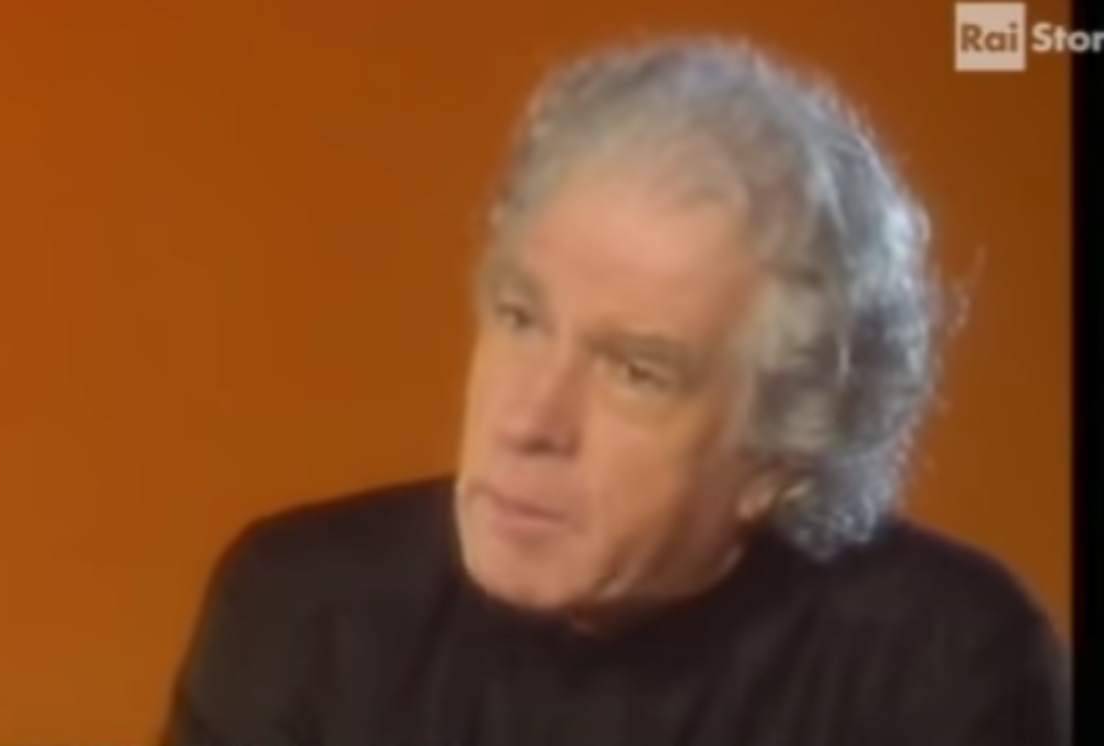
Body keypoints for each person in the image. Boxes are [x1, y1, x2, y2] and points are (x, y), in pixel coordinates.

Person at [158, 35, 1068, 745]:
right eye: (521, 319)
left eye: (637, 371)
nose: (527, 420)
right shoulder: (303, 615)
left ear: (778, 454)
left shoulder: (940, 666)